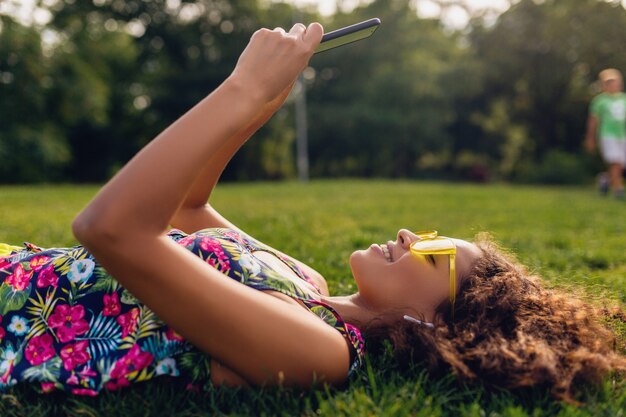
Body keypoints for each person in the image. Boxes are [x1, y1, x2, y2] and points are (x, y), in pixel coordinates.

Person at [0, 23, 624, 403]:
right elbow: (189, 206)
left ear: (436, 323)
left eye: (434, 251)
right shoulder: (308, 283)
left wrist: (238, 89)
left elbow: (114, 230)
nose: (411, 235)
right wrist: (262, 102)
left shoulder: (321, 355)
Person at [585, 68, 626, 199]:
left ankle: (605, 180)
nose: (611, 85)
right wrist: (590, 138)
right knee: (615, 161)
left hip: (623, 135)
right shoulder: (600, 101)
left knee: (621, 164)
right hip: (607, 135)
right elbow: (593, 121)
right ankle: (618, 190)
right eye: (608, 82)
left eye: (614, 82)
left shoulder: (624, 99)